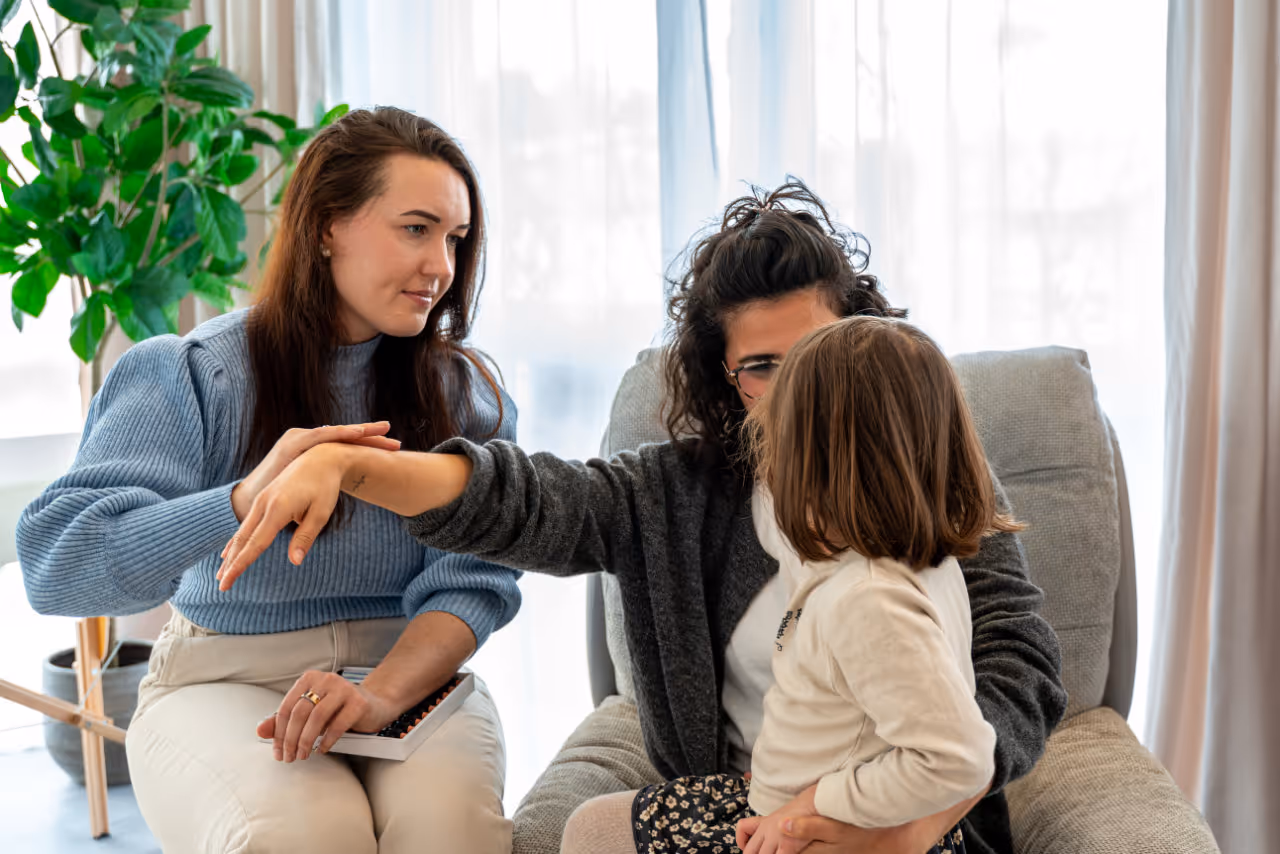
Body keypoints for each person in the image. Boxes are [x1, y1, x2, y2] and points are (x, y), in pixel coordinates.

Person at [216, 181, 1068, 854]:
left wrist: (919, 815)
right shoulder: (673, 496)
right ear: (724, 378)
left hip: (914, 821)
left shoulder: (921, 480)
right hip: (749, 817)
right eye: (762, 366)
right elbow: (522, 498)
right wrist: (352, 465)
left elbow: (1019, 663)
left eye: (813, 355)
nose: (793, 390)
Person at [17, 107, 521, 854]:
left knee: (451, 833)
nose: (441, 267)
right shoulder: (193, 373)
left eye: (455, 238)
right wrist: (241, 501)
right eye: (416, 229)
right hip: (224, 681)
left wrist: (380, 693)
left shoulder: (469, 398)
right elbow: (59, 568)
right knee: (304, 836)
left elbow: (474, 583)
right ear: (325, 227)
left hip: (407, 676)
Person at [623, 315, 1017, 854]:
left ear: (826, 465)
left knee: (599, 832)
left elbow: (961, 758)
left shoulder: (870, 599)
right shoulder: (889, 565)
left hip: (824, 833)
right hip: (790, 810)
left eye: (779, 448)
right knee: (610, 823)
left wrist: (817, 804)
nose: (769, 467)